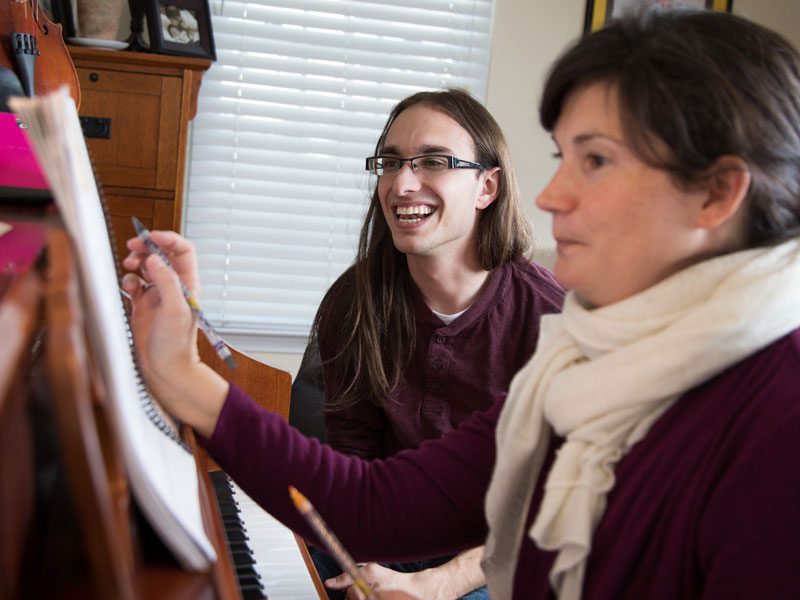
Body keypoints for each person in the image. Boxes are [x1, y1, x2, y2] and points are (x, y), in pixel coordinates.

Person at [123, 8, 800, 599]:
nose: (550, 195)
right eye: (560, 156)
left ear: (716, 193)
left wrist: (439, 584)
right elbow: (367, 503)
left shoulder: (776, 418)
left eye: (595, 161)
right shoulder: (585, 366)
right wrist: (180, 372)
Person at [290, 88, 563, 599]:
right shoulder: (353, 300)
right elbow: (354, 455)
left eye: (435, 161)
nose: (402, 183)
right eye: (390, 163)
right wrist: (368, 567)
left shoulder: (551, 319)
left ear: (487, 187)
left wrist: (434, 585)